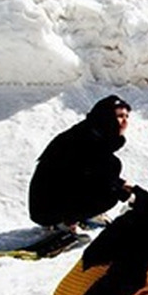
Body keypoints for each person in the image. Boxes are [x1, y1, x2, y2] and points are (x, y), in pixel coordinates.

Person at [29, 95, 137, 229]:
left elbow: (96, 173)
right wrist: (123, 193)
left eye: (127, 117)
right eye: (120, 116)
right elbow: (77, 177)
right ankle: (64, 222)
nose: (124, 122)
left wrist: (124, 186)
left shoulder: (92, 135)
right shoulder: (83, 140)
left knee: (112, 166)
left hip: (58, 199)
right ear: (106, 117)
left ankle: (77, 215)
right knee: (108, 196)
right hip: (46, 208)